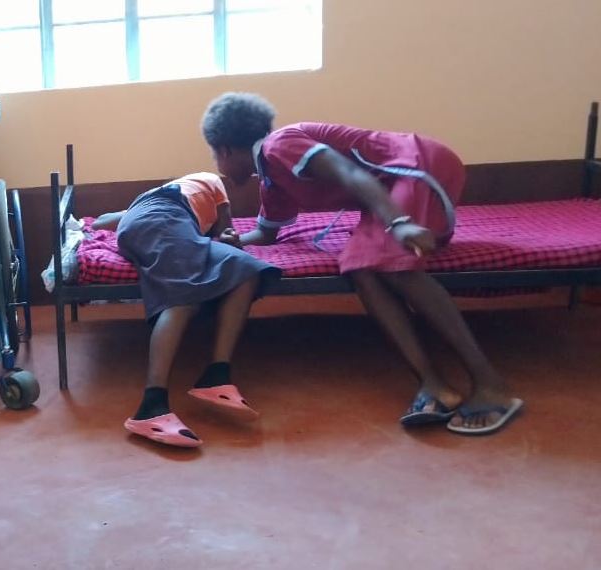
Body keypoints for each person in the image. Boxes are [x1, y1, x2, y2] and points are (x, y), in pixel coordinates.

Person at [201, 92, 523, 435]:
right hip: (388, 191)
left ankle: (491, 385)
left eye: (214, 155)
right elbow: (267, 233)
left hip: (415, 166)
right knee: (359, 266)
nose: (217, 164)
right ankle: (434, 385)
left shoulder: (279, 145)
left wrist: (399, 223)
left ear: (225, 149)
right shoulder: (272, 179)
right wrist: (234, 240)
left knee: (391, 261)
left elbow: (349, 173)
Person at [94, 173, 279, 448]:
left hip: (149, 227)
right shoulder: (212, 183)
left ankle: (216, 375)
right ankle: (150, 408)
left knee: (245, 269)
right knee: (184, 294)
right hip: (166, 221)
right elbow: (226, 230)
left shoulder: (158, 198)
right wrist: (228, 234)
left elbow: (101, 222)